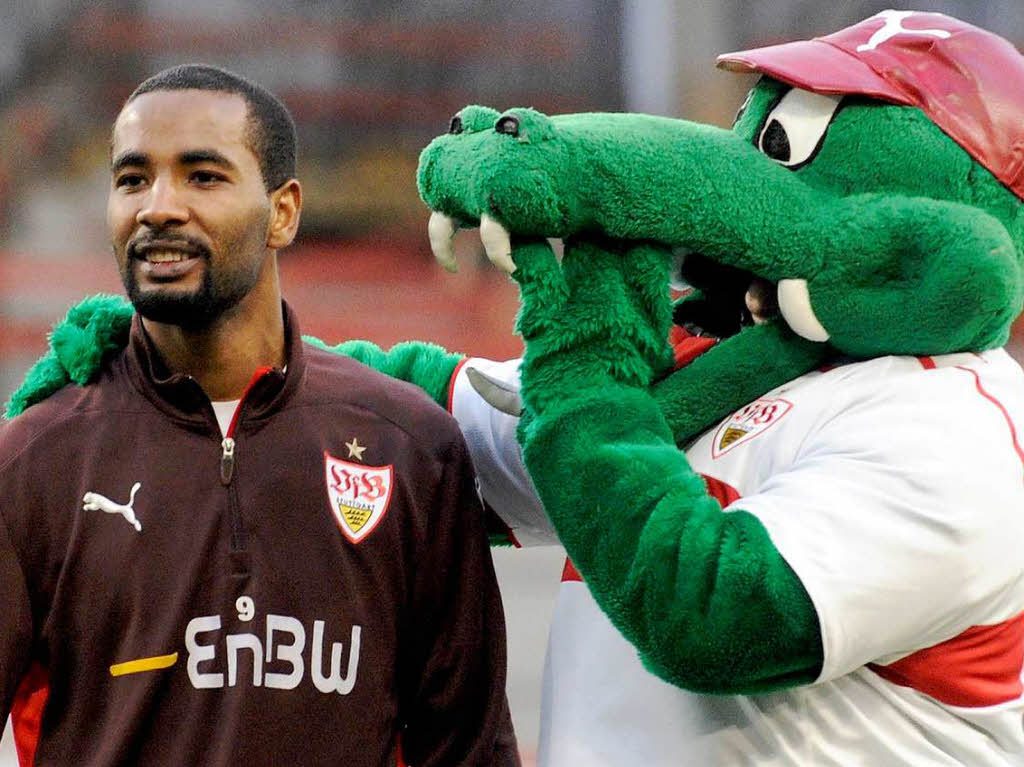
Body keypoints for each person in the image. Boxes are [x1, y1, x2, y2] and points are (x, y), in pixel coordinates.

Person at [0, 64, 519, 767]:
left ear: (283, 211)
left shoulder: (411, 446)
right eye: (132, 178)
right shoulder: (33, 462)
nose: (158, 205)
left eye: (202, 176)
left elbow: (468, 750)